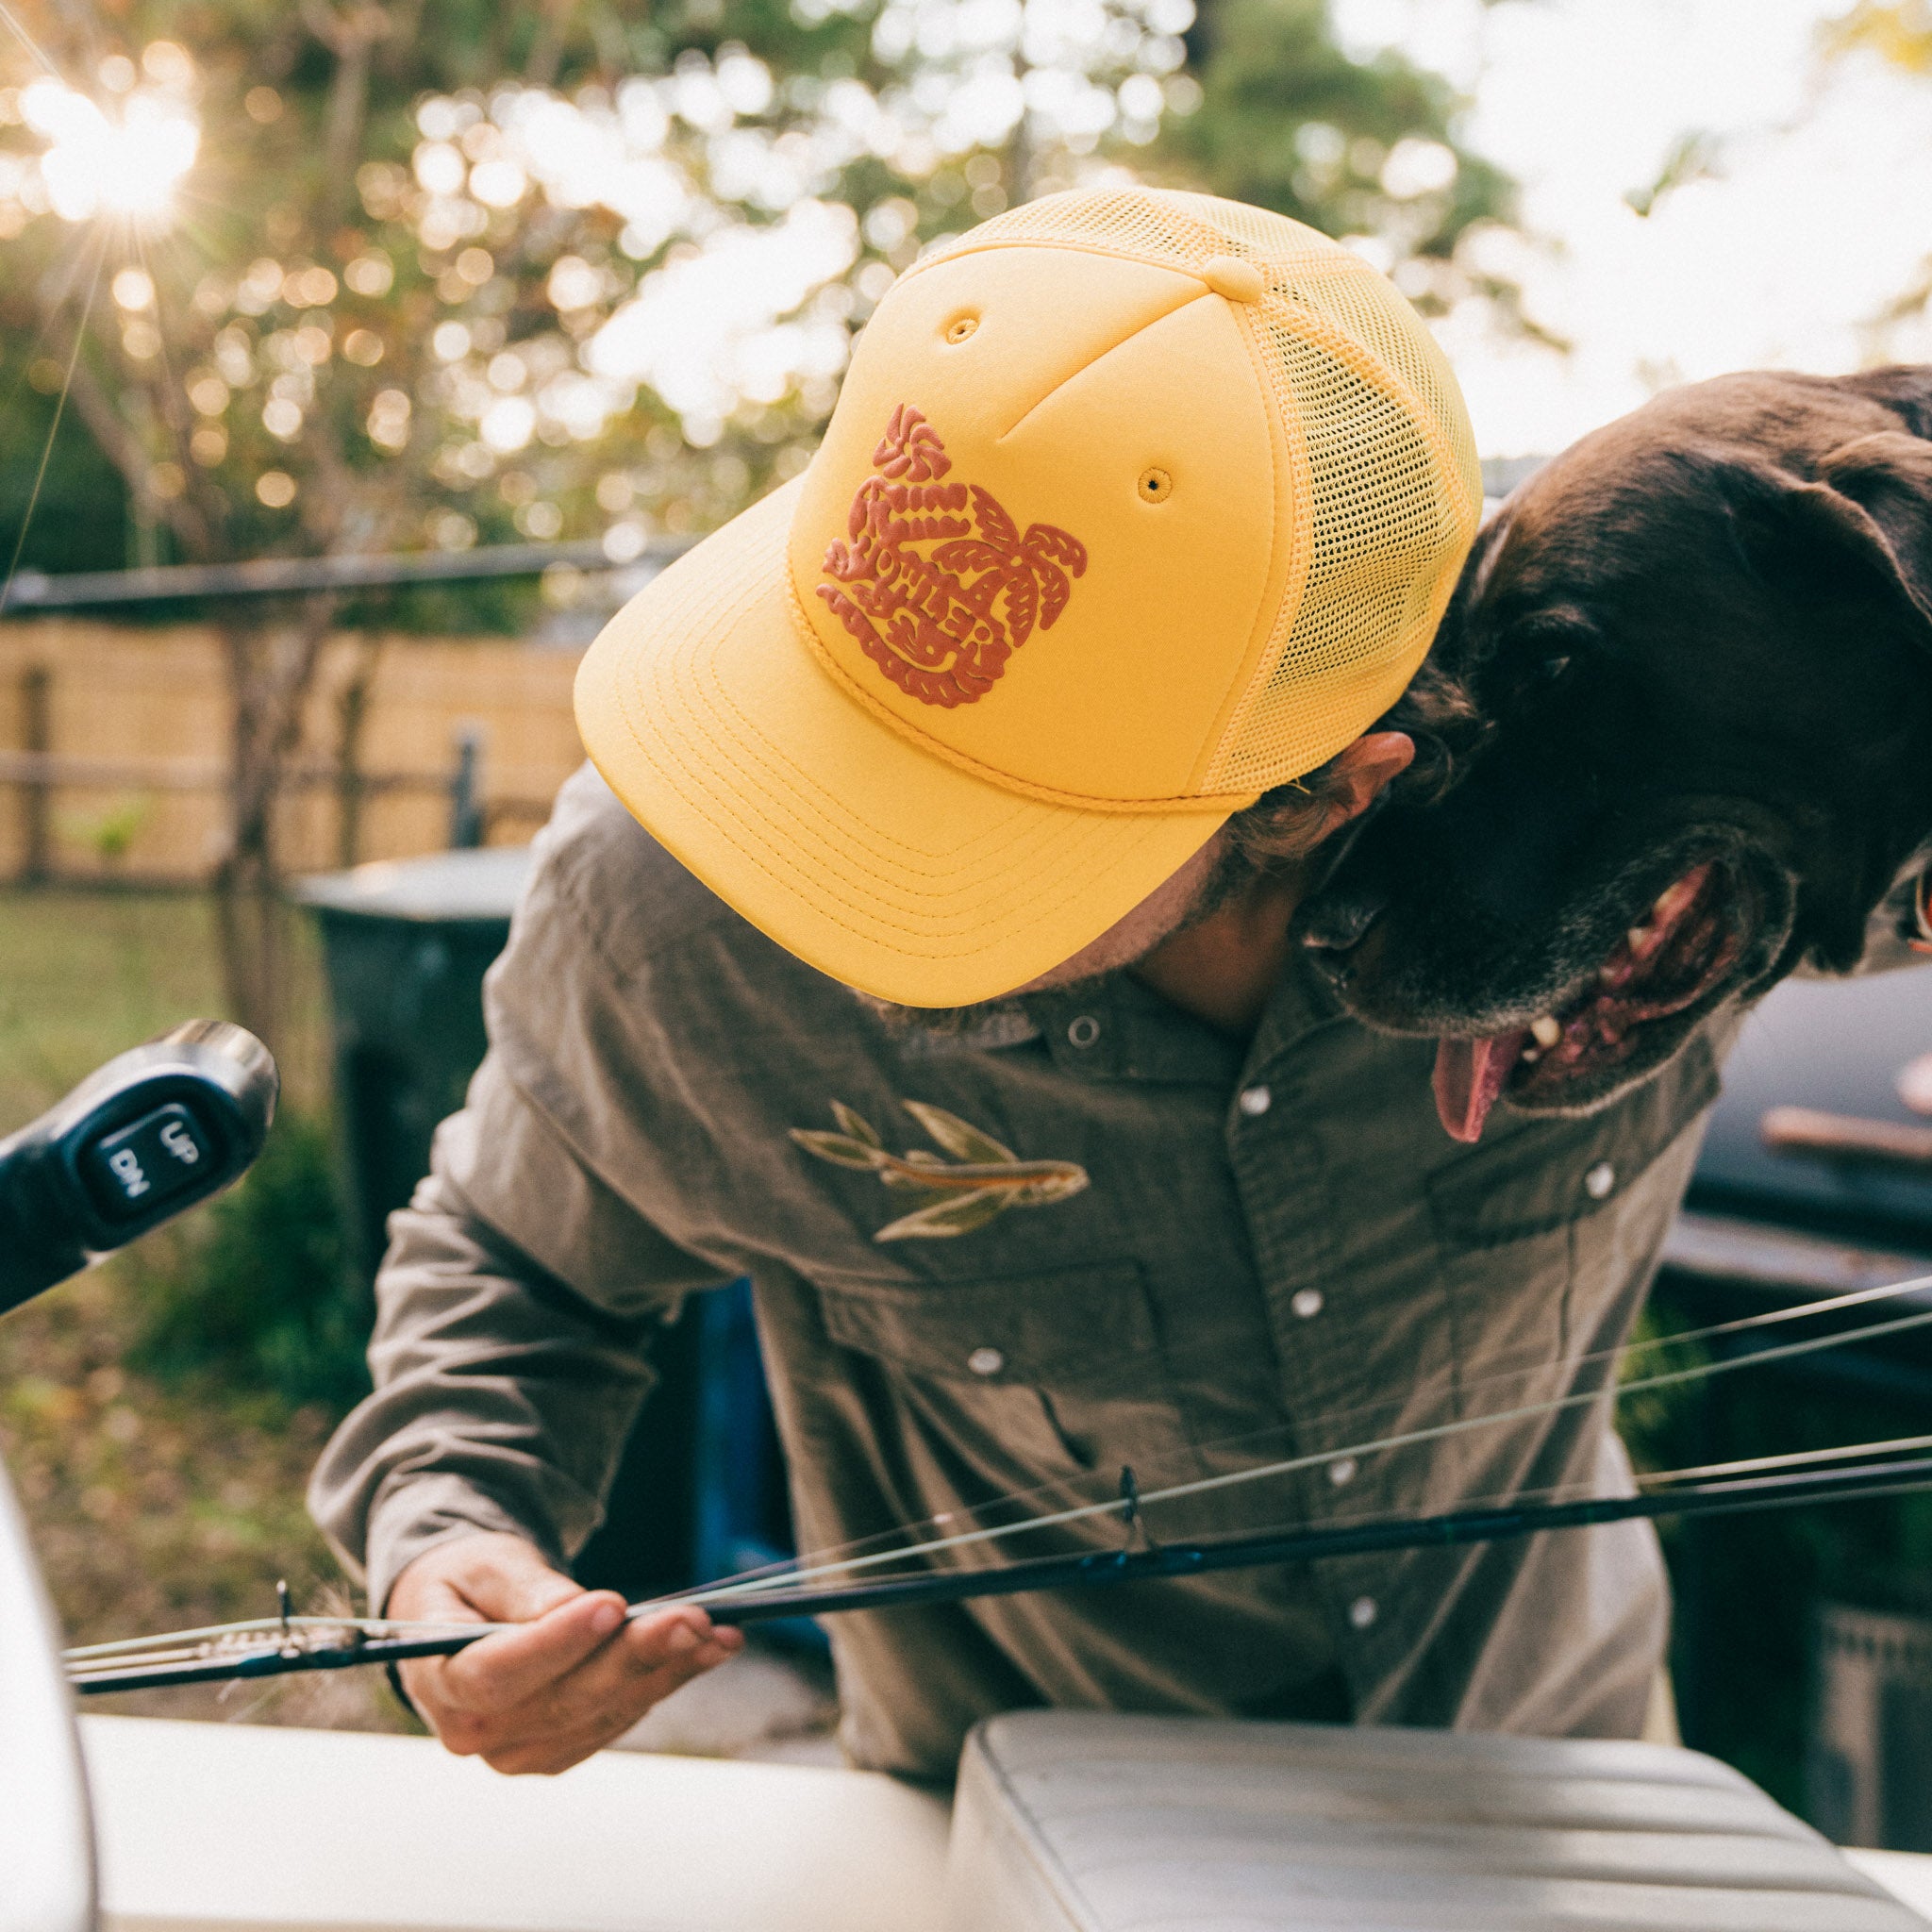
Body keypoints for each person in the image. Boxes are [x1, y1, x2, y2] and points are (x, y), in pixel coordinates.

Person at [310, 187, 1707, 1782]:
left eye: (987, 822)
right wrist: (447, 1539)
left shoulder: (1655, 822)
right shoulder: (671, 906)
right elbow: (516, 1262)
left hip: (1565, 1794)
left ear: (1330, 792)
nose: (828, 862)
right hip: (1007, 1818)